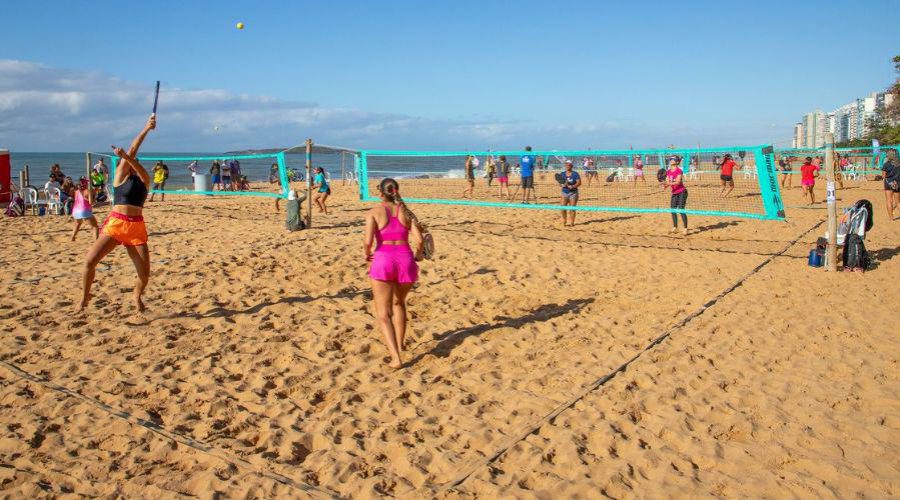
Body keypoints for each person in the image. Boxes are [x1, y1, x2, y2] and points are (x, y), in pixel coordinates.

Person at [80, 113, 155, 312]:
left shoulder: (145, 180)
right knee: (89, 262)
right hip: (117, 224)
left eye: (130, 163)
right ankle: (85, 297)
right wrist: (146, 127)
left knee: (144, 274)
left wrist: (128, 157)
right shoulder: (120, 177)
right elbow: (132, 148)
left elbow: (133, 157)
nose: (126, 164)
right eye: (126, 163)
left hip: (136, 227)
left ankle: (137, 298)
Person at [363, 178, 425, 369]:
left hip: (384, 259)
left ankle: (396, 358)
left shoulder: (374, 212)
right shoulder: (406, 212)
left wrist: (367, 255)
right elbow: (420, 241)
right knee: (399, 303)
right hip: (405, 259)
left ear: (380, 192)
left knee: (384, 314)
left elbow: (367, 242)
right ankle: (400, 344)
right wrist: (418, 255)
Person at [664, 158, 689, 235]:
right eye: (670, 159)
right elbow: (667, 181)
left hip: (682, 192)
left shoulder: (679, 171)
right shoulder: (668, 171)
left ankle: (685, 228)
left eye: (673, 159)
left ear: (677, 162)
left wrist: (668, 183)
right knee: (673, 210)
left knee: (681, 209)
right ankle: (675, 227)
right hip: (674, 192)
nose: (671, 160)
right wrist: (665, 185)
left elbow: (678, 182)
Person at [559, 160, 582, 227]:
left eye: (569, 165)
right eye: (566, 164)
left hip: (573, 193)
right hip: (564, 192)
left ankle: (572, 222)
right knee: (563, 208)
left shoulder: (575, 174)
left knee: (572, 209)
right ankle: (564, 220)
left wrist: (573, 186)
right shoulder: (562, 174)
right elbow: (560, 183)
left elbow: (579, 182)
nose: (567, 166)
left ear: (571, 166)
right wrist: (562, 185)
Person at [881, 149, 900, 220]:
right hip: (898, 183)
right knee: (898, 202)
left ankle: (891, 217)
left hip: (888, 183)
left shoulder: (886, 164)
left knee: (889, 200)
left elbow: (883, 176)